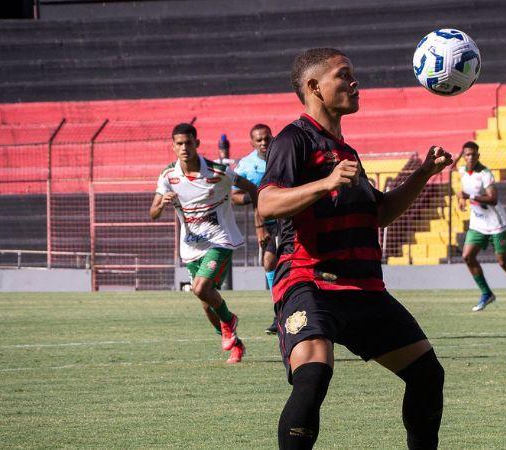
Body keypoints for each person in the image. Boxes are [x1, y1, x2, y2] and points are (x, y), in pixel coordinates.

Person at [258, 48, 451, 450]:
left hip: (362, 288)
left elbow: (380, 213)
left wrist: (423, 174)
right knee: (313, 374)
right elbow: (268, 202)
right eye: (343, 76)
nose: (354, 82)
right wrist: (324, 183)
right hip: (310, 280)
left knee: (427, 374)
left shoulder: (345, 152)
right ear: (314, 87)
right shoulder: (294, 138)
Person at [149, 123, 260, 363]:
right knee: (206, 305)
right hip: (191, 247)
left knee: (201, 288)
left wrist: (261, 222)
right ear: (173, 147)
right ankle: (234, 341)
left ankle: (230, 321)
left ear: (197, 144)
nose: (184, 147)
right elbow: (153, 212)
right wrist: (161, 204)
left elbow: (250, 188)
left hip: (220, 240)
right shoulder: (168, 176)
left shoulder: (217, 171)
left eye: (189, 142)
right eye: (179, 143)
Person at [455, 141, 506, 312]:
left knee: (503, 263)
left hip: (497, 225)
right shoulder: (462, 171)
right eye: (467, 154)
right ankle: (486, 293)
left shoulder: (485, 173)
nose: (471, 157)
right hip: (478, 224)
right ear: (463, 155)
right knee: (467, 256)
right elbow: (454, 171)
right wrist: (461, 199)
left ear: (478, 155)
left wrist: (469, 196)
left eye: (474, 154)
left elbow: (493, 199)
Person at [231, 123, 281, 334]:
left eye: (266, 139)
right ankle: (279, 312)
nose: (263, 143)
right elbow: (233, 196)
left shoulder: (282, 155)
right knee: (269, 262)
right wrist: (255, 199)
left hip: (290, 217)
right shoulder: (246, 165)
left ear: (272, 138)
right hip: (267, 221)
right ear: (251, 142)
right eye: (258, 140)